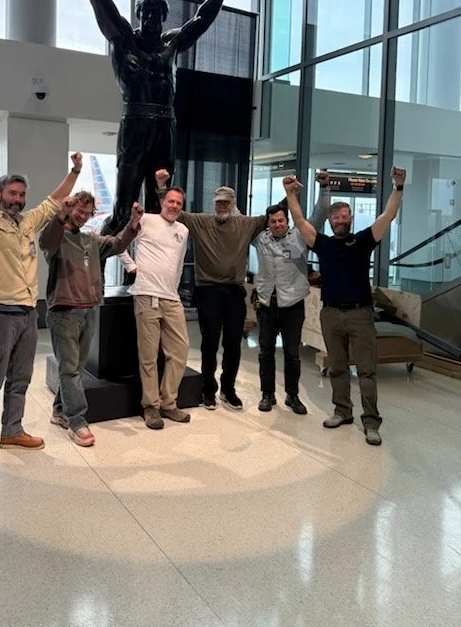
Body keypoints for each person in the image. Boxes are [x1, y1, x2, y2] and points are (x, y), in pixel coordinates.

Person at [85, 0, 248, 234]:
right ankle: (97, 261)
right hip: (135, 124)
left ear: (163, 17)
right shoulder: (123, 39)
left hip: (164, 127)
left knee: (161, 212)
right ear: (138, 14)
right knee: (122, 212)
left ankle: (151, 263)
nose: (150, 19)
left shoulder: (171, 44)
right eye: (145, 12)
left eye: (156, 13)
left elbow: (202, 18)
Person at [0, 139, 82, 478]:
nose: (17, 199)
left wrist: (74, 172)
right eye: (12, 193)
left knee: (20, 380)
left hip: (28, 313)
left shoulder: (27, 222)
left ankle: (12, 430)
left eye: (21, 194)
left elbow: (53, 201)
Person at [284, 167, 407, 446]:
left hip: (359, 314)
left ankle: (371, 422)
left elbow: (388, 215)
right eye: (336, 217)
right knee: (337, 367)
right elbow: (299, 220)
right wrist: (290, 194)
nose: (340, 220)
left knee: (366, 371)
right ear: (329, 221)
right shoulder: (323, 244)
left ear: (351, 218)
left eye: (344, 216)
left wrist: (398, 187)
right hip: (331, 314)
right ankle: (342, 411)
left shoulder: (363, 241)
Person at [155, 169, 271, 411]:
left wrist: (290, 194)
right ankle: (208, 390)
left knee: (233, 344)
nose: (222, 206)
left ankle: (228, 390)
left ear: (233, 204)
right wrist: (162, 186)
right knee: (209, 343)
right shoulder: (202, 221)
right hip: (208, 291)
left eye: (226, 202)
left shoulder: (245, 223)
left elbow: (270, 217)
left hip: (234, 292)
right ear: (214, 204)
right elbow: (173, 210)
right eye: (219, 202)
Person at [39, 193, 143, 447]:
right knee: (70, 369)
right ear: (70, 209)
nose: (83, 216)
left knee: (75, 367)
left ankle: (59, 410)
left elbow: (117, 244)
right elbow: (46, 240)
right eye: (79, 211)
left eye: (87, 213)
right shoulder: (57, 237)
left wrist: (132, 225)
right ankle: (76, 420)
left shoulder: (91, 240)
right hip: (64, 312)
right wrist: (60, 215)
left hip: (89, 309)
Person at [254, 172, 331, 415]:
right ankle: (267, 395)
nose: (277, 224)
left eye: (281, 220)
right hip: (267, 305)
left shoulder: (299, 236)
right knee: (265, 353)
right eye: (273, 221)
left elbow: (320, 215)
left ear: (287, 221)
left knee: (292, 354)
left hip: (293, 306)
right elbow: (239, 223)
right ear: (268, 223)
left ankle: (292, 396)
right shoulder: (261, 239)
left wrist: (325, 188)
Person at [119, 187, 191, 430]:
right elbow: (119, 243)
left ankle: (169, 403)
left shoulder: (183, 230)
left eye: (178, 203)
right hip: (146, 294)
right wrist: (131, 267)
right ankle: (151, 406)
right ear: (162, 202)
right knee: (148, 356)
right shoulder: (146, 220)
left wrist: (175, 288)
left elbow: (179, 264)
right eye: (171, 201)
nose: (174, 206)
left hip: (171, 298)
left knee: (179, 351)